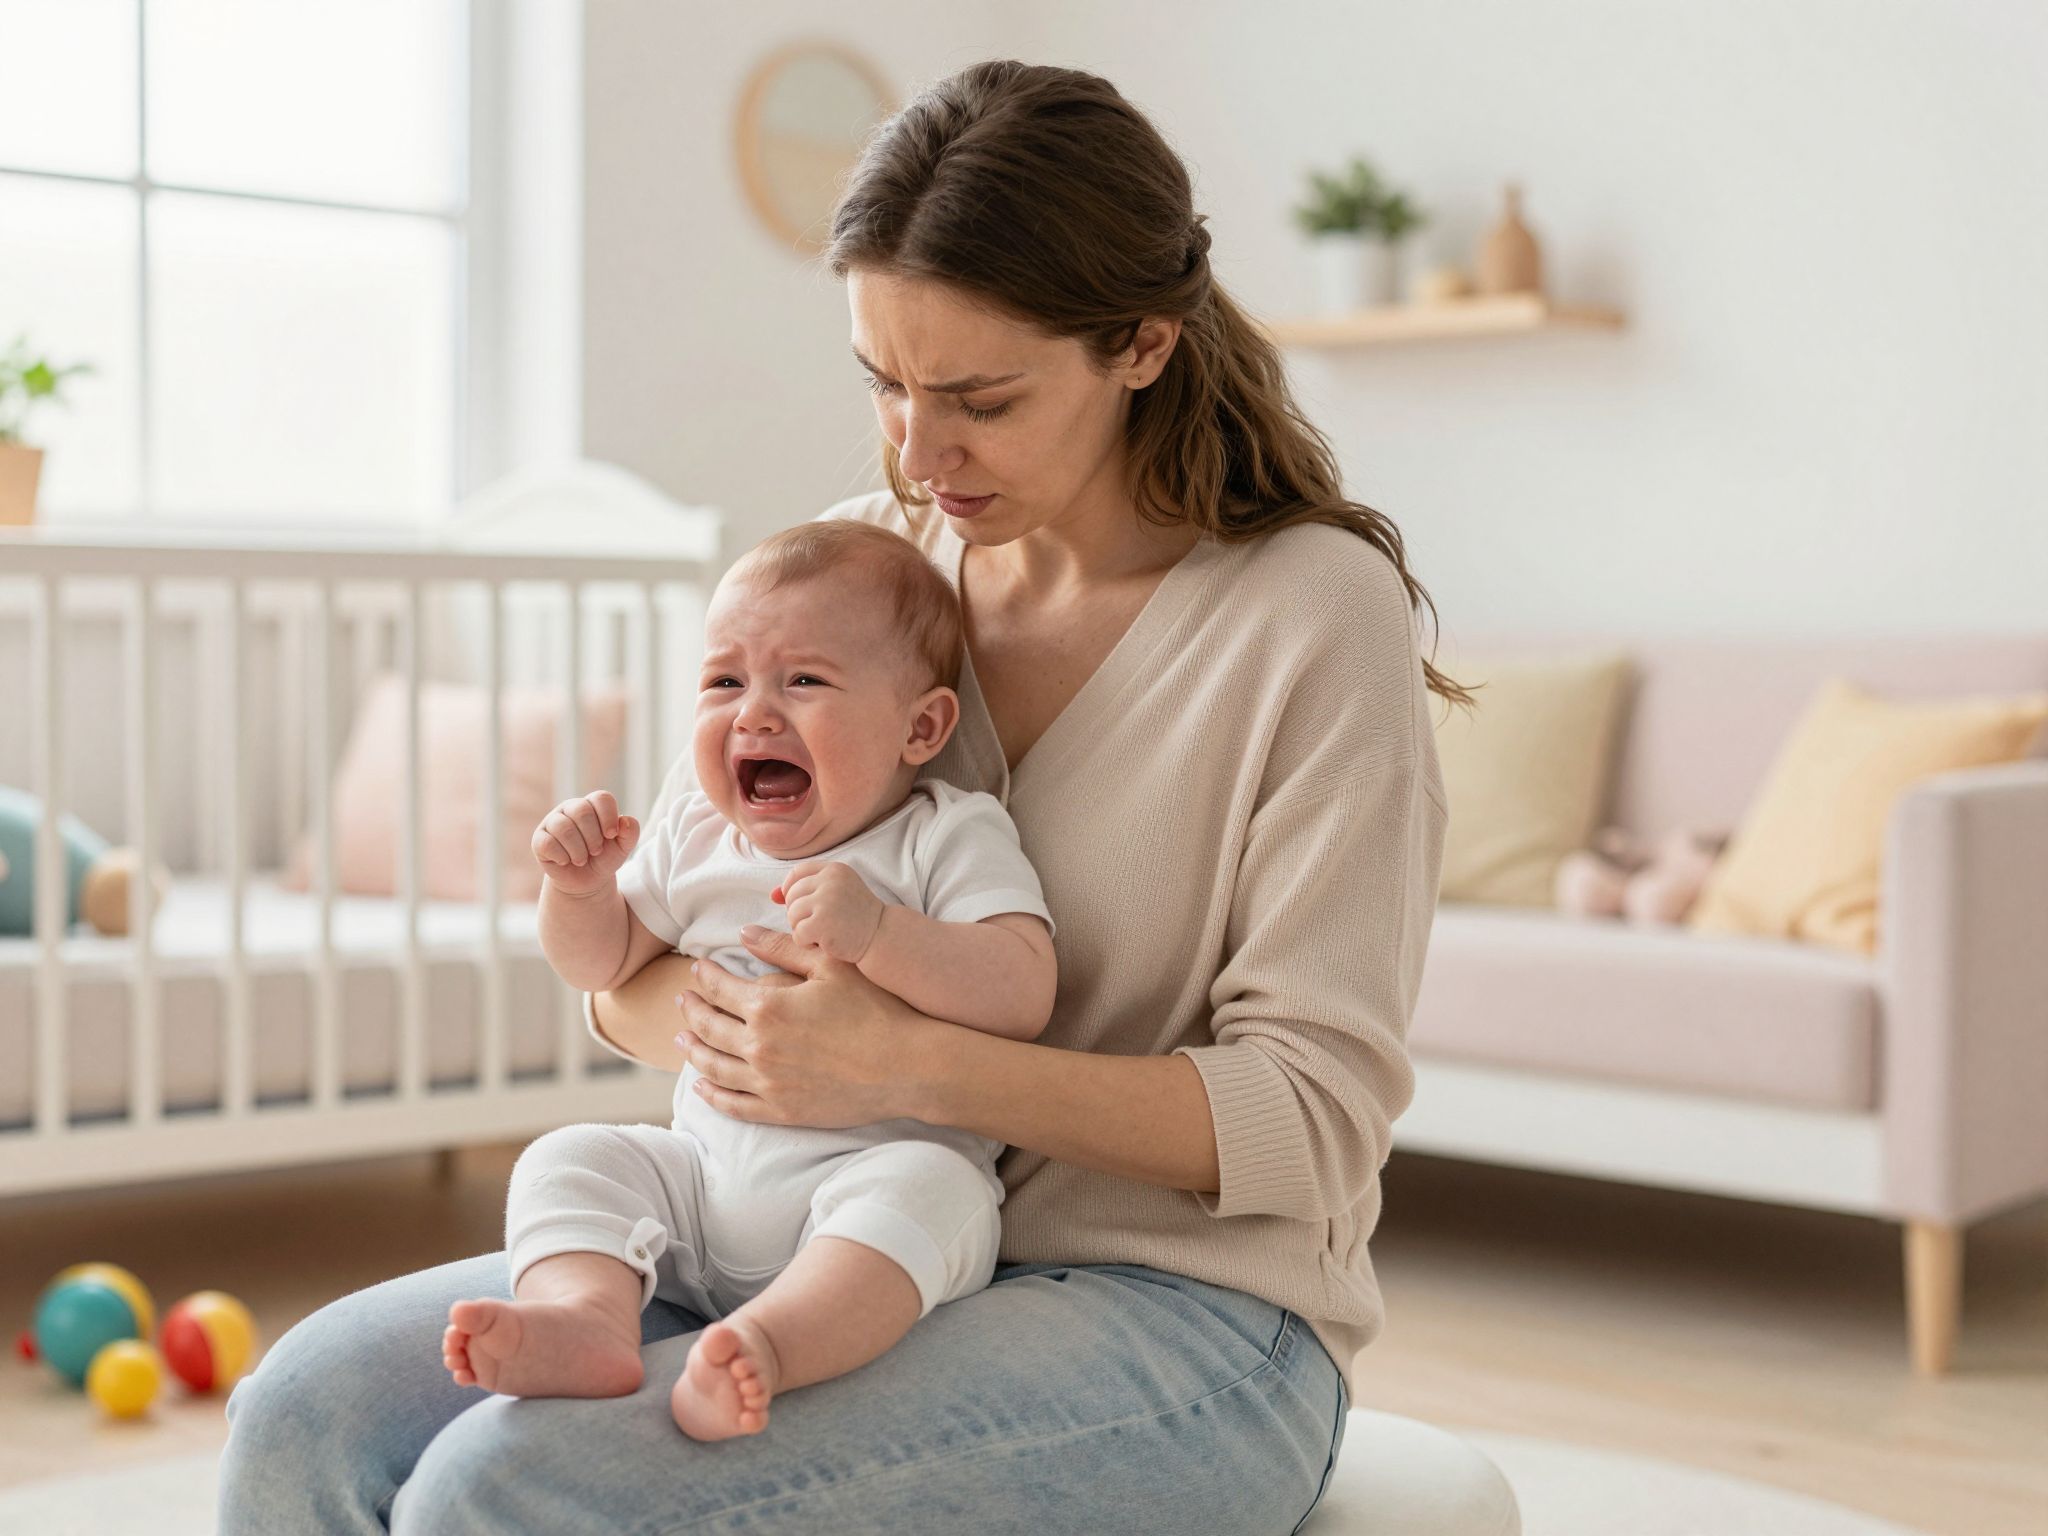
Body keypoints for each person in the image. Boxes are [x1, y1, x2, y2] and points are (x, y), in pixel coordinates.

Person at [218, 59, 1471, 1535]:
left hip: (1185, 1315)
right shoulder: (859, 572)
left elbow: (1311, 1122)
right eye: (884, 383)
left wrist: (904, 1065)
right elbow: (644, 980)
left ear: (1140, 344)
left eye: (979, 399)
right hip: (792, 1237)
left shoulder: (1312, 614)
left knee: (517, 1488)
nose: (914, 455)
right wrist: (737, 1013)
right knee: (301, 1413)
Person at [444, 520, 1057, 1440]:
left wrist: (882, 933)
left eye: (803, 681)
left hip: (862, 1185)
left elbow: (1020, 989)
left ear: (920, 726)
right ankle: (587, 1317)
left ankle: (768, 1346)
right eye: (723, 681)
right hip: (699, 1186)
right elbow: (603, 967)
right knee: (570, 1156)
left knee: (937, 1190)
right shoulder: (698, 833)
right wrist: (577, 890)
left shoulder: (943, 833)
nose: (754, 714)